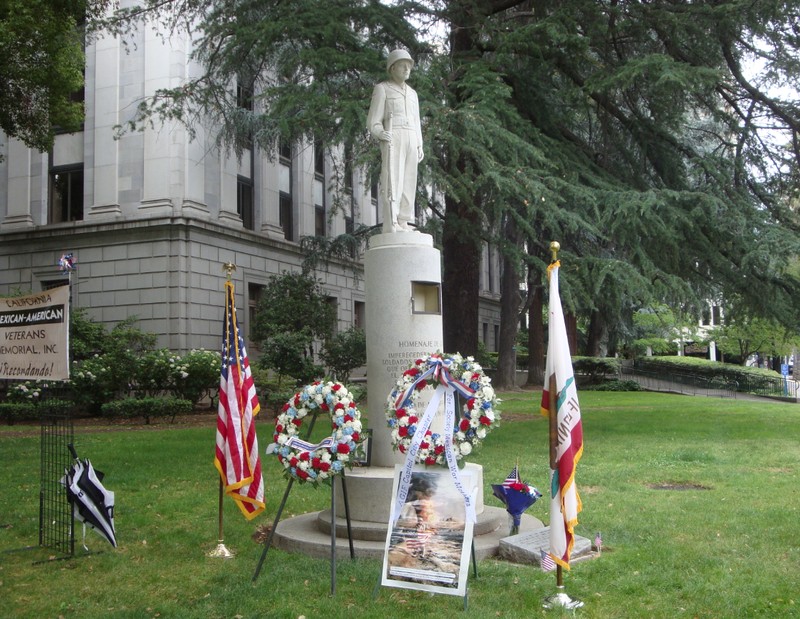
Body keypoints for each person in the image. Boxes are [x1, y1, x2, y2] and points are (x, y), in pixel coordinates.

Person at [367, 49, 424, 234]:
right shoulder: (382, 89)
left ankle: (404, 221)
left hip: (411, 137)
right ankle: (392, 221)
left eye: (409, 65)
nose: (407, 69)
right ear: (392, 68)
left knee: (409, 180)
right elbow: (373, 121)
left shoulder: (413, 94)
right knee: (394, 179)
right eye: (402, 65)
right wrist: (380, 133)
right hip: (394, 135)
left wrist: (419, 143)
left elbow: (417, 121)